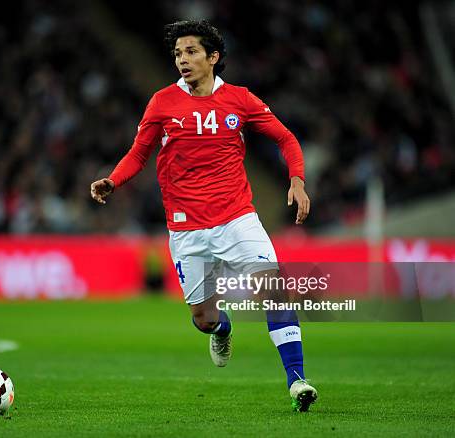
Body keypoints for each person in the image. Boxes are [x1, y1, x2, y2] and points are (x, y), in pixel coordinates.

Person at [90, 20, 317, 412]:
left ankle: (296, 380)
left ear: (213, 58)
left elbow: (285, 137)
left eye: (191, 51)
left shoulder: (241, 100)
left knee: (273, 290)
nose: (183, 59)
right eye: (178, 53)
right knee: (203, 318)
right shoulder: (162, 103)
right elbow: (140, 152)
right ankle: (222, 327)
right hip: (187, 228)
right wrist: (113, 180)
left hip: (237, 218)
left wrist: (296, 180)